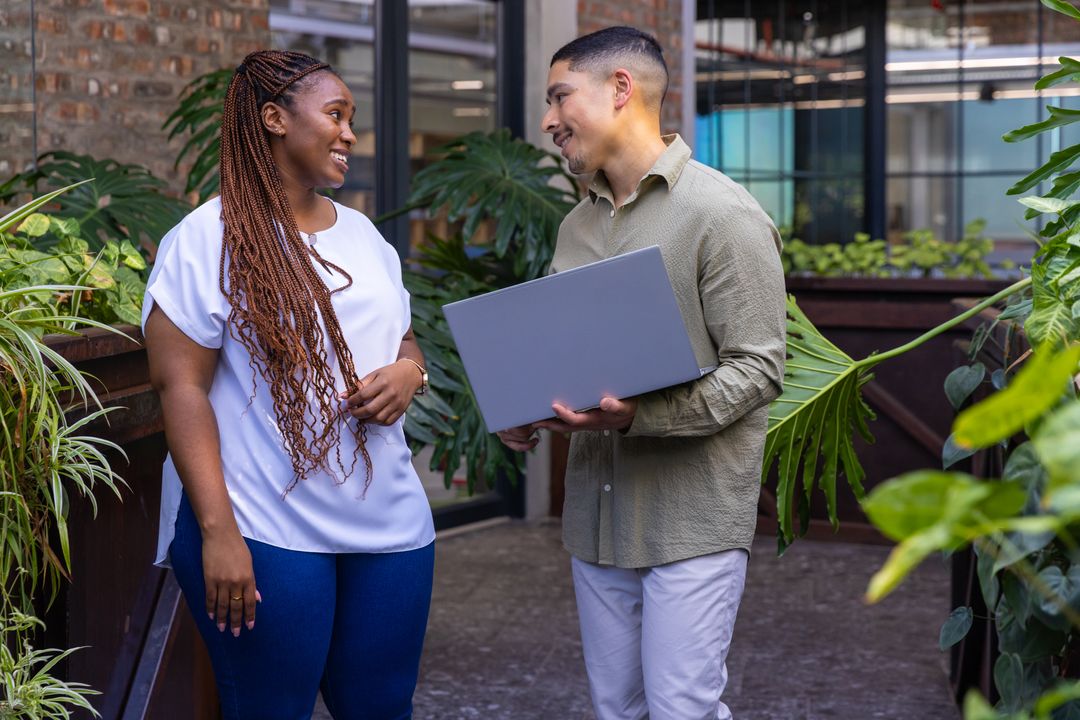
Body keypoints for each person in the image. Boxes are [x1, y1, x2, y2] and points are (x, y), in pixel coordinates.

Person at [498, 27, 787, 720]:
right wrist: (525, 402)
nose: (547, 120)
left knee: (682, 707)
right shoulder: (575, 226)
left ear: (621, 89)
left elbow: (760, 368)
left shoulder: (723, 214)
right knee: (617, 708)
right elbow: (566, 356)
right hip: (597, 516)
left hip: (691, 519)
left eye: (559, 96)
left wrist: (640, 416)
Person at [142, 50, 435, 720]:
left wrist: (407, 372)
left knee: (382, 707)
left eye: (352, 118)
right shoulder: (206, 239)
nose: (350, 134)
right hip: (264, 524)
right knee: (271, 709)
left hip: (388, 521)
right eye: (336, 114)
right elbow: (179, 389)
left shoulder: (364, 238)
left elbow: (401, 339)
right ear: (274, 119)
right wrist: (219, 533)